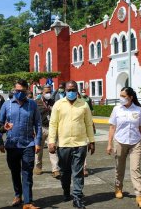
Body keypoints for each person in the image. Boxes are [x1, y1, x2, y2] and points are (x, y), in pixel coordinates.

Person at [48, 80, 95, 209]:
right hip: (63, 144)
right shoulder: (58, 105)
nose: (71, 92)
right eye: (69, 90)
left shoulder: (84, 105)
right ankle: (66, 191)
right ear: (65, 90)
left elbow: (89, 124)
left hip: (80, 144)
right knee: (64, 172)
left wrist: (92, 141)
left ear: (77, 90)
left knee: (78, 172)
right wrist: (51, 141)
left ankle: (77, 197)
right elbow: (53, 124)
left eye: (73, 89)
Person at [0, 79, 42, 209]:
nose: (19, 93)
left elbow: (38, 124)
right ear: (14, 90)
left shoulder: (32, 105)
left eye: (22, 91)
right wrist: (0, 141)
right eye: (17, 90)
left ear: (27, 90)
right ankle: (18, 195)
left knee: (27, 172)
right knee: (15, 171)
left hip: (28, 144)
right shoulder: (7, 105)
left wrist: (38, 142)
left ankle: (28, 202)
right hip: (11, 145)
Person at [106, 87, 141, 208]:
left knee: (135, 169)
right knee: (120, 167)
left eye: (124, 96)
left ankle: (139, 196)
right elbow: (112, 127)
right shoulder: (116, 109)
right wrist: (109, 144)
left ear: (130, 97)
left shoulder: (138, 109)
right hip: (120, 141)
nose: (121, 98)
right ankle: (118, 187)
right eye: (120, 95)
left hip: (135, 142)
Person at [34, 85, 60, 178]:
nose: (48, 94)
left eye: (50, 92)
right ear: (42, 93)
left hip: (51, 128)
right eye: (46, 92)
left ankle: (55, 169)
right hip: (40, 128)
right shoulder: (36, 103)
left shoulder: (53, 102)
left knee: (53, 148)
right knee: (38, 149)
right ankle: (38, 167)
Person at [80, 89, 95, 177]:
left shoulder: (87, 100)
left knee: (84, 149)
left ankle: (84, 167)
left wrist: (92, 140)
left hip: (84, 132)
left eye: (84, 91)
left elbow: (91, 107)